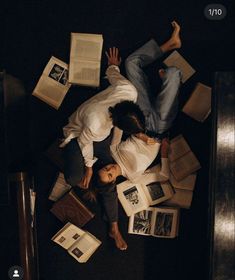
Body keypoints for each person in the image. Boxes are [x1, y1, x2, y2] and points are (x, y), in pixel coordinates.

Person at [95, 20, 182, 251]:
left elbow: (119, 127)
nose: (109, 169)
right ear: (113, 180)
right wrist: (162, 152)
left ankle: (171, 43)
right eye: (109, 174)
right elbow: (163, 175)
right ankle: (166, 82)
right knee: (175, 73)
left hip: (141, 119)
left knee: (132, 62)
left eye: (104, 169)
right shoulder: (134, 176)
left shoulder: (113, 152)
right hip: (160, 127)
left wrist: (139, 134)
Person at [60, 47, 142, 189]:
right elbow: (83, 142)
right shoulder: (97, 127)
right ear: (118, 125)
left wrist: (113, 65)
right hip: (77, 133)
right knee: (73, 179)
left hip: (93, 122)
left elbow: (112, 73)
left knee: (106, 161)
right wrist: (89, 166)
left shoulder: (130, 91)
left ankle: (103, 184)